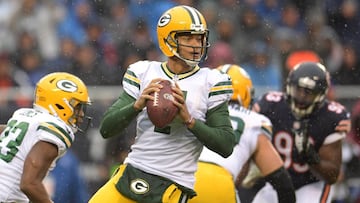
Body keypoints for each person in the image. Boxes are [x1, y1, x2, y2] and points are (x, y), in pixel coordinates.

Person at [89, 5, 235, 203]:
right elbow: (106, 129)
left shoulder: (211, 81)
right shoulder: (143, 72)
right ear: (168, 39)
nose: (196, 44)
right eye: (188, 37)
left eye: (200, 38)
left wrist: (189, 120)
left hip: (173, 184)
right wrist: (136, 106)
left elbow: (226, 145)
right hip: (132, 172)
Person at [188, 64, 295, 203]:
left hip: (183, 177)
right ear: (245, 93)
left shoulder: (194, 112)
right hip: (218, 181)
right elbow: (282, 182)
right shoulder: (254, 121)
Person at [252, 62, 351, 203]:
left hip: (311, 184)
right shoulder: (271, 105)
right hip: (276, 182)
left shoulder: (331, 118)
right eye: (298, 90)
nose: (302, 98)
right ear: (289, 86)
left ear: (321, 95)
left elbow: (332, 176)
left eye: (309, 93)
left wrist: (309, 155)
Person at [0, 72, 92, 203]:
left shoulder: (23, 116)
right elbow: (29, 184)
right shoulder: (55, 129)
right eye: (77, 107)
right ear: (61, 104)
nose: (81, 114)